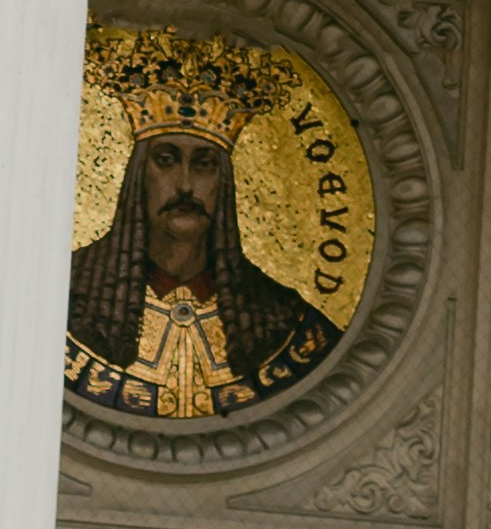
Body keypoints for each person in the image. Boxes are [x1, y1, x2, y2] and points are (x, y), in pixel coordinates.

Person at [67, 37, 344, 423]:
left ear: (224, 184)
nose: (184, 186)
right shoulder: (63, 300)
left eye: (203, 165)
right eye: (165, 161)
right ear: (137, 178)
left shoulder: (285, 319)